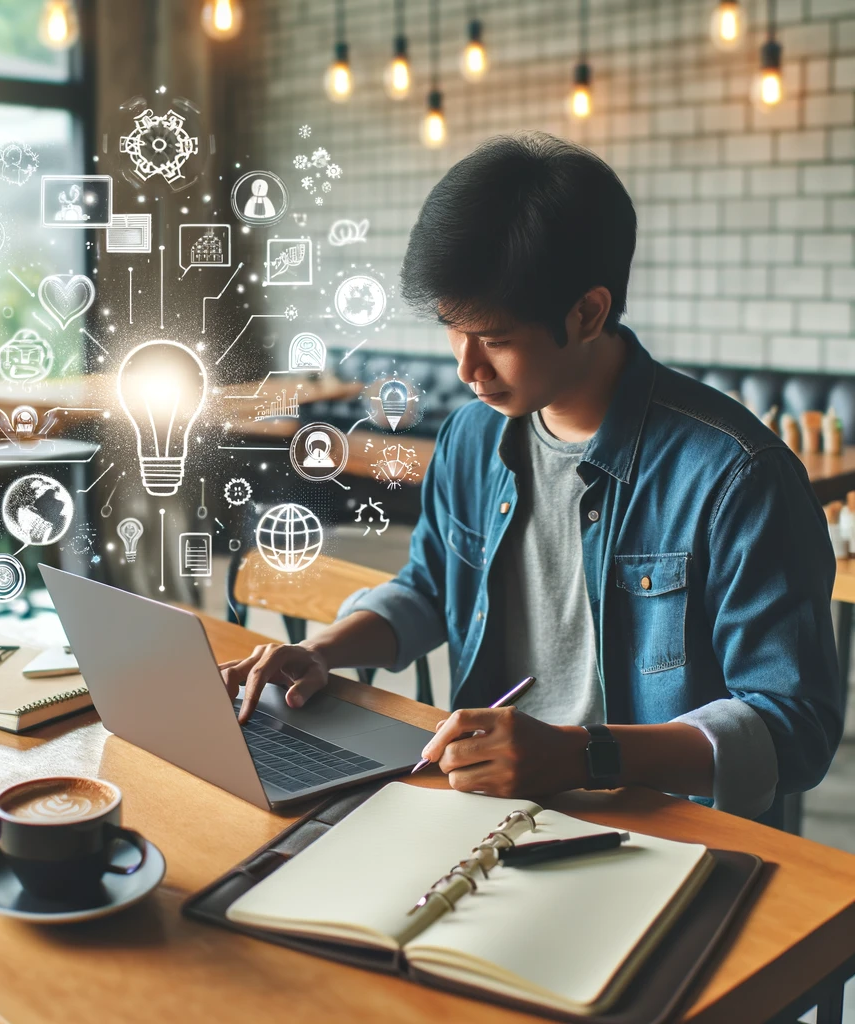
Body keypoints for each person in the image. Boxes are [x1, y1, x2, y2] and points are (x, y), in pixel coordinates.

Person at [220, 132, 842, 826]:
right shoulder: (471, 439)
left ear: (588, 312)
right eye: (453, 329)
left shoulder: (736, 477)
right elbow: (430, 586)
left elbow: (796, 728)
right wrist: (318, 651)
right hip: (488, 803)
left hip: (671, 832)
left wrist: (583, 755)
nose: (466, 368)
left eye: (497, 338)